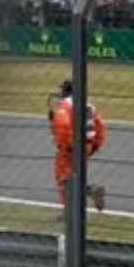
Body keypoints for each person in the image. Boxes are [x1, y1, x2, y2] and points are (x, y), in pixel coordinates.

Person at [50, 79, 107, 211]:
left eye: (62, 90)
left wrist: (65, 145)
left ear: (67, 91)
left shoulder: (65, 106)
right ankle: (83, 200)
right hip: (86, 146)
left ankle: (71, 212)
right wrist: (94, 146)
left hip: (70, 147)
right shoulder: (88, 105)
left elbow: (63, 126)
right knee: (76, 177)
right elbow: (100, 126)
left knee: (63, 180)